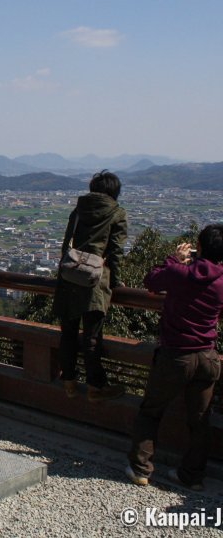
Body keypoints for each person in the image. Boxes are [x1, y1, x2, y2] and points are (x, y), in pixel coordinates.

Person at [126, 225, 223, 490]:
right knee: (200, 420)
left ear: (198, 247)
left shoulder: (181, 273)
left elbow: (151, 281)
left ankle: (141, 469)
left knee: (151, 411)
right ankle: (192, 476)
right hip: (208, 356)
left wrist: (175, 259)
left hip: (176, 355)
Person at [53, 170, 128, 402]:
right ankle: (96, 388)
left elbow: (67, 243)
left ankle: (69, 383)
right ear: (115, 191)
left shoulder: (78, 210)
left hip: (69, 277)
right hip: (95, 280)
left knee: (68, 333)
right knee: (92, 337)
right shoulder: (117, 213)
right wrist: (116, 281)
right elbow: (115, 252)